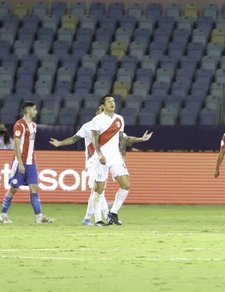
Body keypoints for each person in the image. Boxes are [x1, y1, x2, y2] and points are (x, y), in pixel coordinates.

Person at [90, 94, 152, 226]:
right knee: (98, 189)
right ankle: (98, 219)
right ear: (103, 105)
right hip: (101, 157)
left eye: (113, 101)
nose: (112, 103)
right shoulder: (98, 119)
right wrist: (99, 154)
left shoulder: (119, 119)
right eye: (109, 101)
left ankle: (113, 213)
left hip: (115, 157)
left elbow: (122, 138)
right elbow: (94, 140)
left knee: (126, 184)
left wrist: (141, 139)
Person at [49, 106, 109, 226]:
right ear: (97, 112)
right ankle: (101, 219)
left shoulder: (108, 126)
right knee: (97, 191)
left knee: (99, 191)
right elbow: (74, 139)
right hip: (92, 161)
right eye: (101, 110)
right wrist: (60, 143)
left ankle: (88, 218)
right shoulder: (87, 126)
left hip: (104, 161)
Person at [0, 101, 54, 224]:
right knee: (14, 189)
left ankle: (39, 216)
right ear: (28, 111)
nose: (36, 111)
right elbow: (16, 145)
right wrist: (21, 163)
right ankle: (3, 214)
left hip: (32, 162)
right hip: (20, 163)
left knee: (34, 188)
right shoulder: (19, 125)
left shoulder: (34, 126)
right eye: (34, 109)